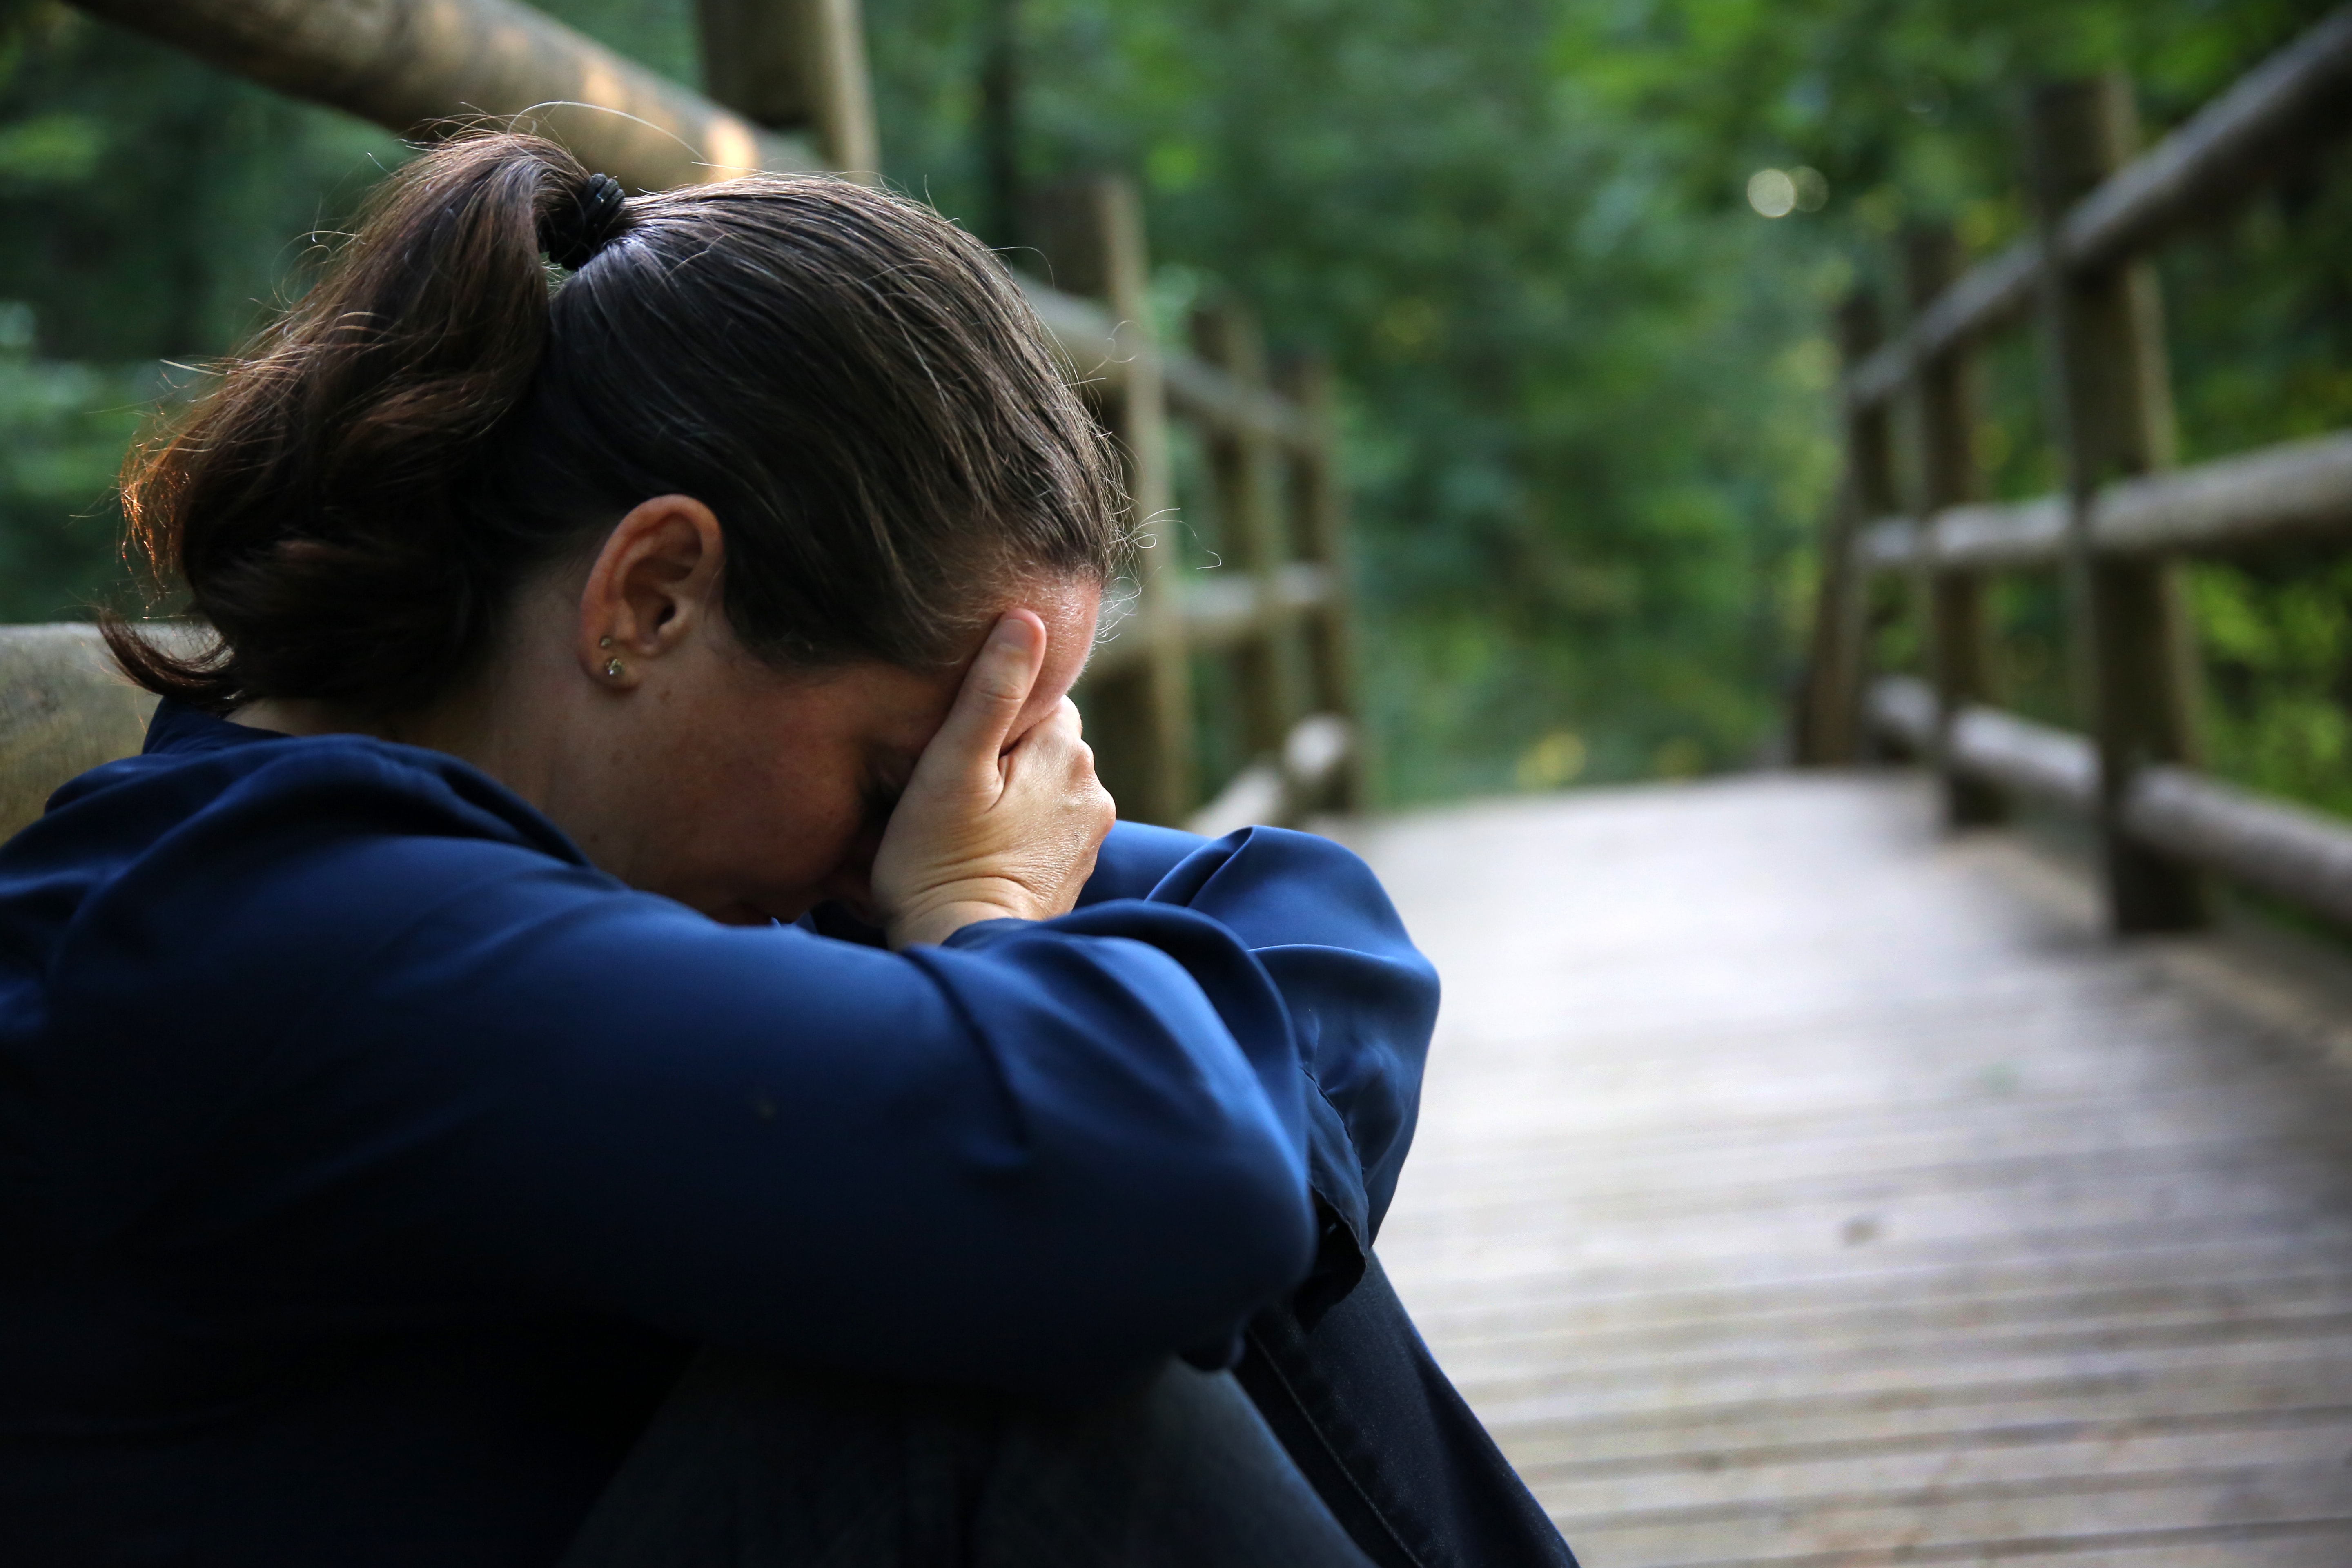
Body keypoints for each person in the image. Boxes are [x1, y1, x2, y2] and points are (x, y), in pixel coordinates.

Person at [0, 134, 1575, 1567]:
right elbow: (1173, 1177)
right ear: (655, 597)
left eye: (1000, 765)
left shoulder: (598, 852)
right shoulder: (296, 930)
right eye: (910, 776)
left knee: (1133, 1146)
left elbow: (1310, 923)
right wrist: (984, 922)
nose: (893, 859)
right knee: (1034, 1327)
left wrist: (1091, 1050)